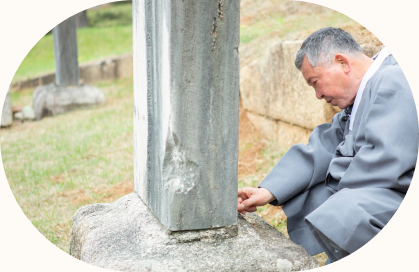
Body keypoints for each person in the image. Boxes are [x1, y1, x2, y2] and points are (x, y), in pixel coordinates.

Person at [237, 27, 418, 264]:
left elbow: (385, 165)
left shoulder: (394, 78)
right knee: (310, 189)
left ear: (342, 62)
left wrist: (336, 172)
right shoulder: (361, 93)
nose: (318, 95)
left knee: (341, 204)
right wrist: (267, 191)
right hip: (377, 193)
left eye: (315, 82)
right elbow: (322, 147)